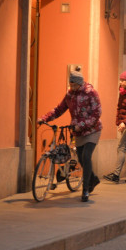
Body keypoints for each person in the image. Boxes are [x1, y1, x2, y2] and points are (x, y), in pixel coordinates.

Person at [38, 69, 102, 202]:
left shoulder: (91, 93)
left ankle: (85, 190)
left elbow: (97, 113)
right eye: (70, 85)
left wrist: (83, 124)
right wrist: (44, 118)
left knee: (86, 156)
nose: (71, 87)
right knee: (80, 157)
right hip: (77, 132)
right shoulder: (70, 95)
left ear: (80, 83)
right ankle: (93, 178)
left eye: (74, 85)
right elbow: (59, 109)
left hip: (92, 130)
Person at [103, 71, 126, 184]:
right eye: (120, 80)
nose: (120, 82)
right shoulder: (122, 91)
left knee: (121, 147)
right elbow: (119, 107)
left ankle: (116, 174)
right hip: (124, 124)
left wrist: (125, 123)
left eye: (123, 80)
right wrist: (118, 122)